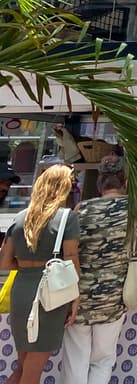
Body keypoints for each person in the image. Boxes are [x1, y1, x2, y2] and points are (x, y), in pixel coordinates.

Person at [63, 153, 137, 384]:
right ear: (126, 182)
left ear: (100, 182)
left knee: (75, 358)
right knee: (103, 359)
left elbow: (70, 250)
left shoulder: (82, 209)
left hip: (79, 297)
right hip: (115, 298)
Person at [0, 164, 80, 384]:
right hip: (49, 295)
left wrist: (28, 266)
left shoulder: (19, 218)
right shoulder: (66, 217)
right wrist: (75, 297)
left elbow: (5, 262)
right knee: (32, 373)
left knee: (23, 367)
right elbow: (72, 258)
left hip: (22, 292)